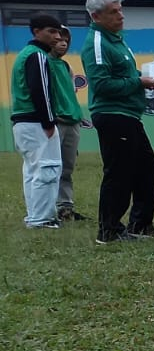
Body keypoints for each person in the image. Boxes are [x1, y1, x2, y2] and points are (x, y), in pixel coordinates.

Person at [82, 0, 154, 244]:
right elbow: (102, 84)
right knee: (119, 173)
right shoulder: (97, 43)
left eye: (120, 10)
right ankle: (108, 231)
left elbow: (124, 74)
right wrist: (138, 81)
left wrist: (143, 78)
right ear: (96, 16)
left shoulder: (117, 41)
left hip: (128, 115)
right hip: (112, 114)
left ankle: (140, 224)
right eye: (114, 12)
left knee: (147, 168)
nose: (121, 15)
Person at [9, 14, 64, 229]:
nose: (57, 36)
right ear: (36, 31)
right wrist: (49, 122)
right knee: (47, 169)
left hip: (23, 122)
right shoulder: (37, 56)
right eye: (51, 31)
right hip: (36, 121)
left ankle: (35, 216)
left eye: (58, 32)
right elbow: (40, 90)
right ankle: (42, 220)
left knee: (32, 171)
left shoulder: (24, 55)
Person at [50, 25, 89, 221]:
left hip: (72, 120)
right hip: (55, 121)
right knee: (50, 167)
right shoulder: (43, 62)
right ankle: (46, 210)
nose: (63, 43)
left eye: (66, 40)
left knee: (67, 167)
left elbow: (71, 94)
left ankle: (65, 207)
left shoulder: (66, 66)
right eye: (58, 39)